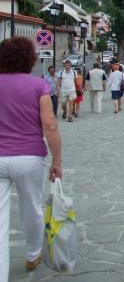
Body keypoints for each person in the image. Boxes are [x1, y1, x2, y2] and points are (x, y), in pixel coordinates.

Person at [0, 37, 63, 280]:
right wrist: (57, 160)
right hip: (28, 156)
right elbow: (49, 125)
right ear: (30, 59)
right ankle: (33, 253)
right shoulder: (38, 86)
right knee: (32, 208)